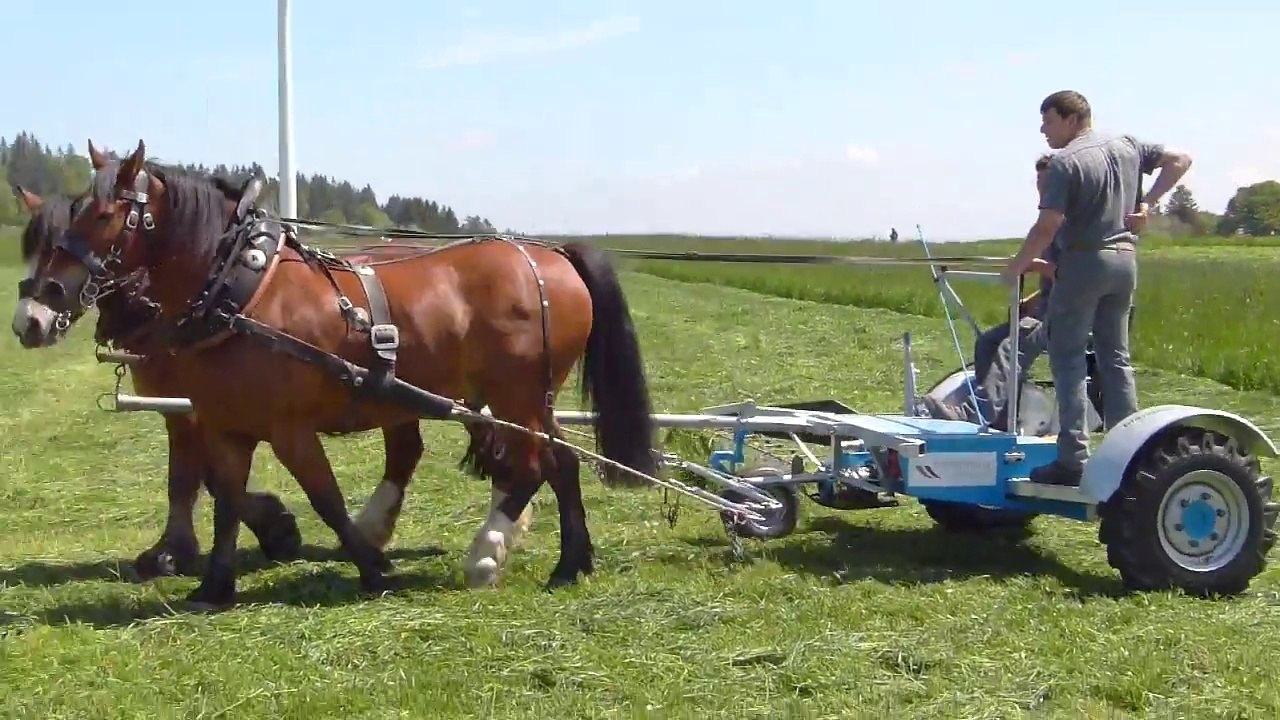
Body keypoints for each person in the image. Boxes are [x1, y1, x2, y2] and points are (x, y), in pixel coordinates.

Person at [1004, 90, 1192, 486]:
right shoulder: (1127, 145)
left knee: (1068, 359)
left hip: (1084, 260)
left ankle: (1073, 459)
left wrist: (1018, 265)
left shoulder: (1065, 163)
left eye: (1049, 120)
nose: (1043, 129)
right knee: (1115, 356)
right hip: (1125, 261)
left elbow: (1048, 225)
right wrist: (1148, 205)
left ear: (1072, 119)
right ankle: (1131, 452)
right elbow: (1180, 160)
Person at [923, 153, 1059, 430]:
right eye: (1039, 185)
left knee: (1010, 346)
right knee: (987, 342)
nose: (1041, 193)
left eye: (1046, 185)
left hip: (1068, 313)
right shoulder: (1050, 225)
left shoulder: (1072, 227)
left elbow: (1072, 278)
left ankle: (975, 413)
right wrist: (1028, 301)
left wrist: (1035, 266)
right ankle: (1001, 419)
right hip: (1048, 307)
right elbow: (1049, 286)